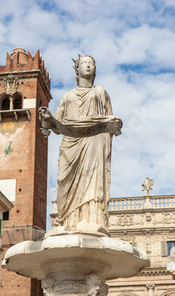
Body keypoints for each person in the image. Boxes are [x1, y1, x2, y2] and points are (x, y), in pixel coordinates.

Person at [39, 55, 122, 233]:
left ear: (94, 70)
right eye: (84, 63)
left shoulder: (100, 92)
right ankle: (68, 221)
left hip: (94, 142)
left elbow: (109, 119)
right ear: (77, 70)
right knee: (64, 181)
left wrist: (114, 124)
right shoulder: (67, 97)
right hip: (71, 144)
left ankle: (92, 220)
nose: (88, 66)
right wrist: (47, 119)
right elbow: (56, 125)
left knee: (91, 180)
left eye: (91, 63)